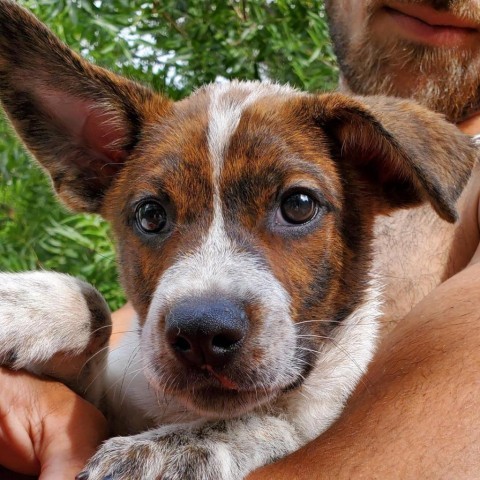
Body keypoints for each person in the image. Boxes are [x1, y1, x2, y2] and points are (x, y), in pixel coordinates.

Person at [2, 0, 480, 478]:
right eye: (152, 216)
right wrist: (57, 361)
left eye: (296, 207)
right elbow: (99, 385)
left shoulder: (355, 156)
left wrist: (259, 439)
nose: (203, 310)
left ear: (386, 169)